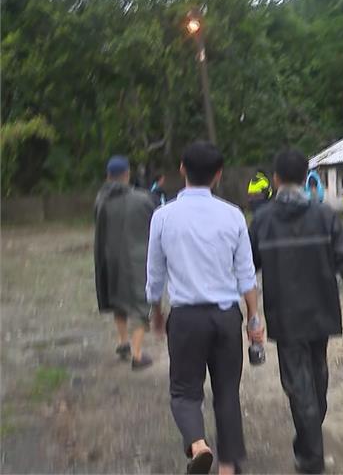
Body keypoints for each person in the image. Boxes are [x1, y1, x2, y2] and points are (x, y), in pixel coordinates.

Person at [249, 149, 343, 474]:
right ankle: (309, 447)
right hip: (321, 309)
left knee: (299, 386)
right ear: (306, 177)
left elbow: (246, 268)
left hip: (285, 314)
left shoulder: (262, 220)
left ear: (275, 180)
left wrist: (249, 312)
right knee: (317, 379)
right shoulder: (325, 216)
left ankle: (311, 456)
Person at [146, 141, 264, 475]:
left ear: (181, 168)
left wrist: (156, 313)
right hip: (226, 317)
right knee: (227, 392)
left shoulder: (163, 217)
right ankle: (227, 467)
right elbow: (246, 276)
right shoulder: (233, 215)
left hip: (185, 318)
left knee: (185, 391)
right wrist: (253, 319)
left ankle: (198, 444)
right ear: (218, 175)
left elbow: (154, 277)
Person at [94, 155, 156, 370]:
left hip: (110, 259)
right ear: (127, 174)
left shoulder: (101, 200)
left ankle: (123, 342)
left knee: (118, 301)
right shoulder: (142, 199)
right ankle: (137, 355)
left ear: (108, 176)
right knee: (141, 305)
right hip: (137, 260)